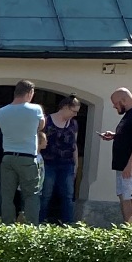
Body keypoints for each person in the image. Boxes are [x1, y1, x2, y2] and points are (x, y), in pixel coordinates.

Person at [97, 87, 132, 223]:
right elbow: (131, 136)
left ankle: (131, 230)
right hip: (123, 165)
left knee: (129, 198)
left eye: (116, 103)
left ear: (124, 100)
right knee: (124, 196)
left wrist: (131, 164)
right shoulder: (130, 113)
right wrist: (116, 136)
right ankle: (127, 228)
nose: (114, 106)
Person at [0, 80, 45, 223]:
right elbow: (41, 126)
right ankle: (31, 229)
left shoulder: (1, 111)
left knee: (7, 196)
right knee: (31, 195)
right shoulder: (35, 109)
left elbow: (1, 127)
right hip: (27, 157)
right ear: (30, 93)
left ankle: (7, 226)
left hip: (8, 156)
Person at [37, 95, 82, 224]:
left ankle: (68, 225)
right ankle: (39, 223)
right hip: (48, 163)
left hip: (67, 163)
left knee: (68, 196)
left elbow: (74, 144)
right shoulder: (46, 121)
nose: (75, 114)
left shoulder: (73, 124)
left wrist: (76, 165)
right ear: (65, 107)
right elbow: (38, 140)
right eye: (73, 111)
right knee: (45, 194)